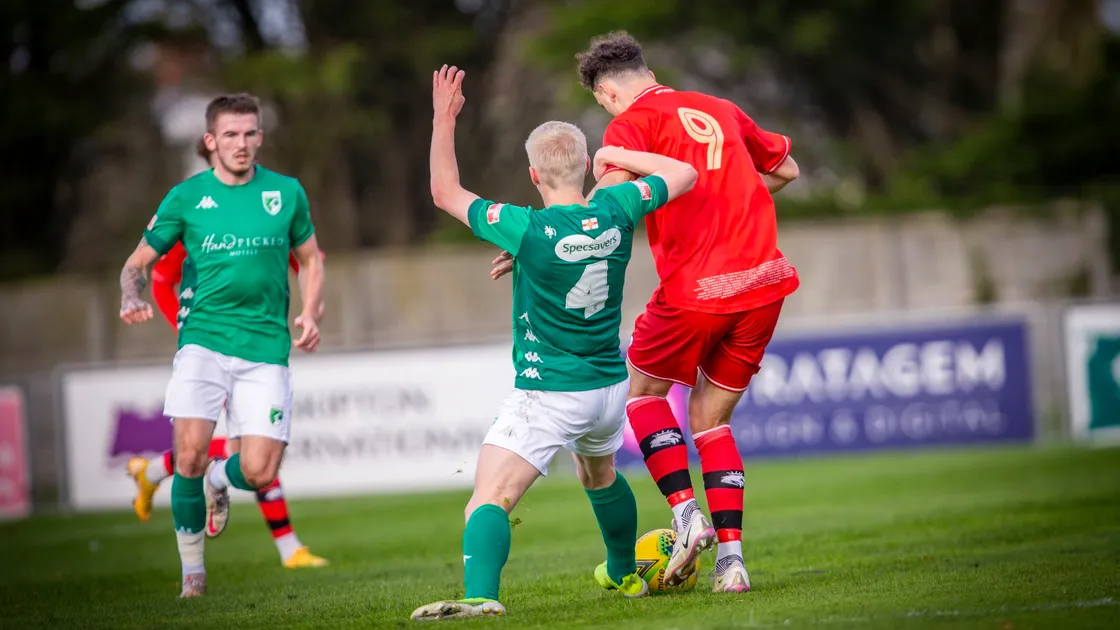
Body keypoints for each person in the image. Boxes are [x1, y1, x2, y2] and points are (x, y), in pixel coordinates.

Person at [410, 65, 697, 621]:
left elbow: (444, 191)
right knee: (600, 475)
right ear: (588, 166)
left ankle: (481, 597)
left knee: (489, 498)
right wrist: (622, 161)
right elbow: (683, 172)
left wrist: (444, 116)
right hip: (609, 387)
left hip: (549, 392)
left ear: (533, 175)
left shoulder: (525, 228)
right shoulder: (617, 207)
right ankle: (621, 574)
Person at [573, 31, 802, 593]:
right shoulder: (718, 108)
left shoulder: (627, 127)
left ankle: (685, 513)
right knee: (712, 421)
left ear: (606, 93)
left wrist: (549, 236)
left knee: (645, 398)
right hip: (764, 282)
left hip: (697, 289)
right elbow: (787, 170)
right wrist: (733, 204)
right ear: (647, 72)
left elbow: (609, 200)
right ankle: (732, 563)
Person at [119, 93, 325, 598]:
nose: (242, 143)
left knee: (258, 471)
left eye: (250, 133)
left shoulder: (286, 192)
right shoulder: (187, 198)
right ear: (210, 141)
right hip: (204, 344)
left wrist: (310, 311)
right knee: (186, 456)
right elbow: (138, 263)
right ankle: (193, 575)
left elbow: (313, 258)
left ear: (260, 137)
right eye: (230, 134)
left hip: (265, 350)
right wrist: (129, 294)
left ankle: (220, 479)